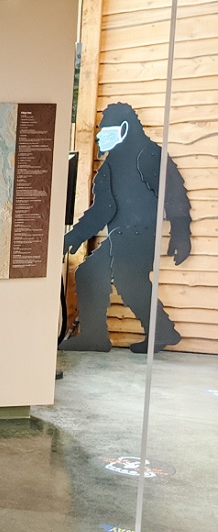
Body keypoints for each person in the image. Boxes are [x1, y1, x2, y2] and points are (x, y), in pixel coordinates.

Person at [63, 102, 192, 353]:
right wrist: (75, 235)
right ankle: (94, 336)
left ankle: (162, 331)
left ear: (123, 128)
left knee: (129, 279)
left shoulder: (149, 154)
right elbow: (103, 209)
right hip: (119, 236)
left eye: (104, 130)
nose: (99, 135)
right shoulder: (110, 166)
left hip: (142, 234)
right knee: (89, 273)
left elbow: (174, 195)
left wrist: (180, 234)